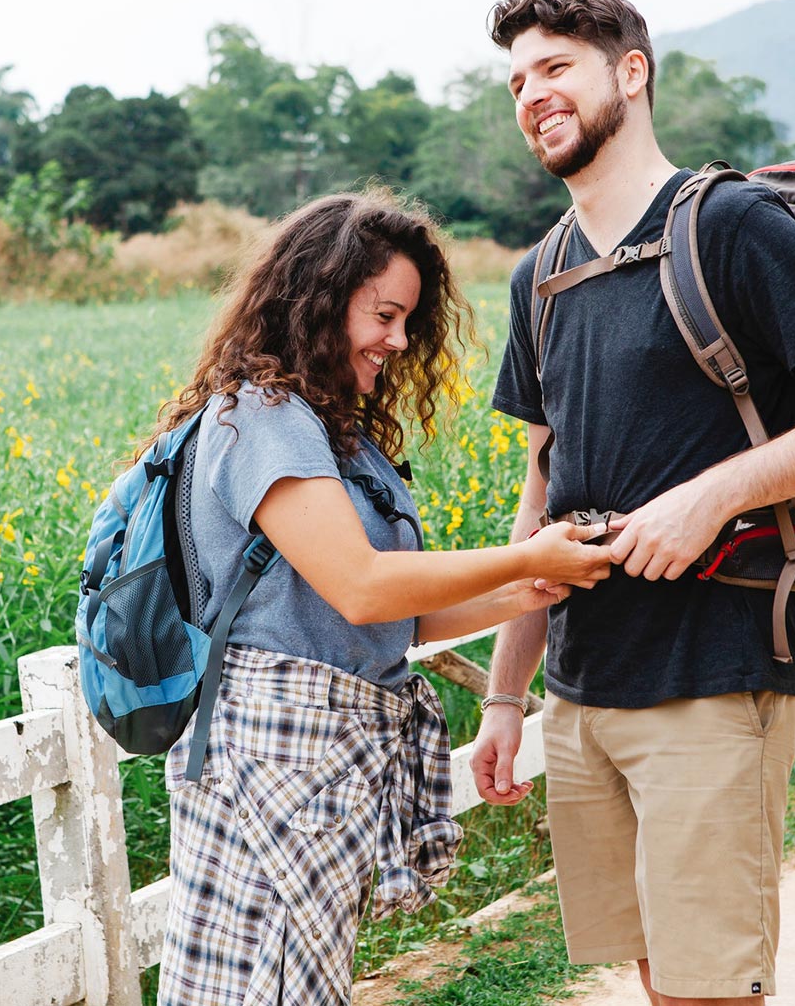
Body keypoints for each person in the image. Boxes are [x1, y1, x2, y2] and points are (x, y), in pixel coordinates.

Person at [467, 0, 795, 1005]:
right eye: (516, 80)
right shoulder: (538, 274)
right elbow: (543, 486)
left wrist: (710, 496)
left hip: (714, 666)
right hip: (583, 682)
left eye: (555, 68)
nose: (531, 95)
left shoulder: (728, 224)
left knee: (708, 983)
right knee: (655, 971)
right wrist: (508, 693)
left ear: (630, 73)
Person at [152, 189, 615, 1006]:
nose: (398, 342)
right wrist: (521, 553)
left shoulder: (336, 431)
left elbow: (400, 615)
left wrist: (526, 586)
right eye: (385, 315)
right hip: (274, 752)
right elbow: (363, 587)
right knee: (268, 985)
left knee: (303, 980)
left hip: (321, 758)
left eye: (409, 322)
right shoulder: (265, 416)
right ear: (318, 300)